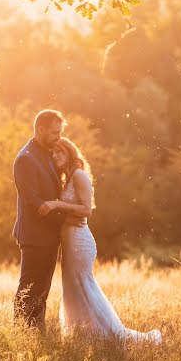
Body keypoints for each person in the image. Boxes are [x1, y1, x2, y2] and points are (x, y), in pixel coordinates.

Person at [41, 137, 162, 344]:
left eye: (60, 151)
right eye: (53, 152)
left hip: (80, 241)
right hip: (69, 241)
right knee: (72, 290)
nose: (55, 155)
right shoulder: (66, 179)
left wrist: (56, 204)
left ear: (70, 153)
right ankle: (85, 338)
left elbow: (87, 210)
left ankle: (116, 336)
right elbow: (70, 214)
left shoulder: (79, 175)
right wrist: (61, 211)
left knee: (85, 287)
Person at [12, 109, 82, 328]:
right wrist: (66, 220)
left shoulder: (47, 153)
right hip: (34, 235)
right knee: (29, 287)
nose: (58, 138)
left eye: (59, 133)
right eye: (54, 133)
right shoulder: (26, 158)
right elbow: (33, 202)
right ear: (40, 129)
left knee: (42, 289)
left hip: (49, 236)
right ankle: (21, 331)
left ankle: (36, 331)